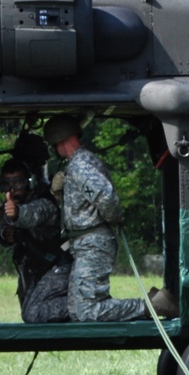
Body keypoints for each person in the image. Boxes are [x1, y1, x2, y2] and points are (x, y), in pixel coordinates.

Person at [42, 115, 178, 321]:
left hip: (92, 243)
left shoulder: (80, 166)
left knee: (86, 311)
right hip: (86, 242)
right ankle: (151, 305)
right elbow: (84, 203)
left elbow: (106, 198)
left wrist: (111, 219)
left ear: (59, 141)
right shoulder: (79, 164)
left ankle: (153, 306)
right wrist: (61, 193)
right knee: (77, 310)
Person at [0, 158, 71, 323]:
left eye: (18, 183)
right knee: (32, 315)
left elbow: (33, 213)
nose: (12, 189)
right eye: (6, 184)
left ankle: (86, 305)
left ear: (28, 183)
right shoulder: (6, 209)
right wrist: (6, 235)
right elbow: (1, 232)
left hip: (59, 268)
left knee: (33, 313)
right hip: (33, 271)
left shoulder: (43, 202)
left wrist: (17, 214)